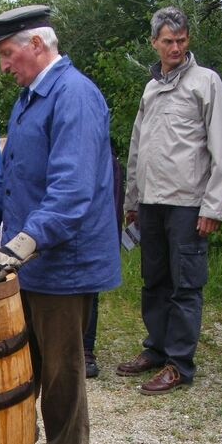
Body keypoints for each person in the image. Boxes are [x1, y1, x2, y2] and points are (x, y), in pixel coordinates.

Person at [0, 5, 121, 444]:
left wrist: (20, 245)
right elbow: (8, 175)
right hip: (30, 259)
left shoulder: (75, 97)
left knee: (62, 364)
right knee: (25, 361)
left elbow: (71, 191)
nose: (3, 65)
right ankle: (23, 443)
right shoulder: (31, 97)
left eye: (7, 53)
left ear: (36, 45)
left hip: (63, 262)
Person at [116, 6, 222, 394]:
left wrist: (213, 206)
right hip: (150, 203)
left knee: (185, 285)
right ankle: (157, 349)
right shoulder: (151, 88)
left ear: (188, 41)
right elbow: (137, 147)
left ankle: (179, 364)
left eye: (181, 40)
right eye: (168, 41)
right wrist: (132, 199)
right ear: (155, 43)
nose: (175, 47)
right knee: (154, 281)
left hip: (188, 204)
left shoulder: (206, 82)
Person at [83, 148, 125, 378]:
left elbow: (112, 210)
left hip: (96, 232)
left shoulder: (107, 162)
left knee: (91, 289)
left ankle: (86, 350)